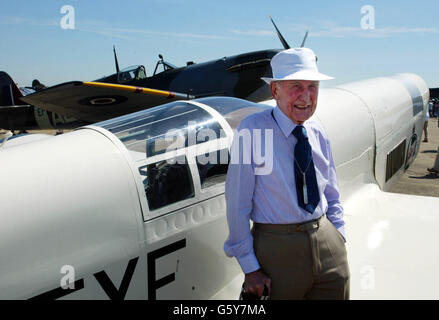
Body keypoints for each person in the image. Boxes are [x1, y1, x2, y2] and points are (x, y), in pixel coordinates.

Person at [224, 48, 349, 300]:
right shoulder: (253, 130)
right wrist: (250, 268)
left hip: (328, 243)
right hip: (277, 253)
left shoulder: (317, 130)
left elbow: (331, 191)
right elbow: (237, 204)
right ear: (275, 91)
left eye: (312, 86)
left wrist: (338, 234)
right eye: (295, 86)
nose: (306, 96)